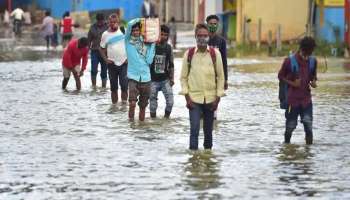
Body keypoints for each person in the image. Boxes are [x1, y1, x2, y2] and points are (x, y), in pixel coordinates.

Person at [180, 24, 225, 150]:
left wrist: (218, 98)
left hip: (211, 99)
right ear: (195, 36)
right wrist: (187, 98)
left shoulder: (215, 54)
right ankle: (193, 161)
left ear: (208, 37)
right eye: (199, 35)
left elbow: (221, 77)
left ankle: (208, 162)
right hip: (194, 99)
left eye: (205, 36)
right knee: (194, 130)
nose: (202, 38)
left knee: (208, 133)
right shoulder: (189, 54)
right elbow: (183, 78)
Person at [278, 36, 318, 145]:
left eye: (311, 52)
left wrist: (313, 82)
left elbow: (313, 77)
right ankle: (287, 147)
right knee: (290, 126)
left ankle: (308, 150)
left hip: (306, 100)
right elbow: (280, 76)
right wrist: (292, 83)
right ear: (302, 49)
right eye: (308, 52)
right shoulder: (289, 61)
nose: (309, 55)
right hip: (292, 101)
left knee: (308, 124)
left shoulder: (313, 61)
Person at [125, 18, 155, 122]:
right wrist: (141, 19)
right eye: (133, 31)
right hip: (133, 77)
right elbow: (129, 24)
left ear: (140, 31)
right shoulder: (128, 41)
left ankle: (141, 128)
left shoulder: (147, 43)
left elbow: (150, 61)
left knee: (143, 107)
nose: (135, 32)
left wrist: (152, 45)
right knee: (132, 104)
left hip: (146, 78)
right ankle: (131, 125)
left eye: (137, 30)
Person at [100, 14, 128, 104]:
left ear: (118, 22)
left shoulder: (124, 31)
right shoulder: (105, 34)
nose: (113, 24)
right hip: (112, 64)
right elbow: (101, 48)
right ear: (108, 23)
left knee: (124, 86)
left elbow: (131, 44)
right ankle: (114, 107)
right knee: (113, 88)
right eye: (111, 22)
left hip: (124, 63)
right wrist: (106, 59)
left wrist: (129, 58)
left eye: (114, 22)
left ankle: (124, 106)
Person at [149, 25, 174, 119]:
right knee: (152, 104)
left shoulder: (168, 48)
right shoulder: (151, 46)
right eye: (161, 34)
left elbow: (171, 64)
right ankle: (153, 122)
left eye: (165, 35)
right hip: (152, 80)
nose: (163, 36)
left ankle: (166, 119)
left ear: (168, 36)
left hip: (165, 80)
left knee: (170, 102)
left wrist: (172, 78)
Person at [206, 15, 228, 90]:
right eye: (211, 24)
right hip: (204, 74)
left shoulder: (222, 41)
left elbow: (224, 61)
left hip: (217, 75)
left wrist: (225, 79)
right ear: (207, 25)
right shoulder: (203, 39)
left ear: (218, 25)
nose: (213, 25)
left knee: (215, 99)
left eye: (215, 24)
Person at [88, 13, 108, 88]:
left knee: (104, 71)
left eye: (101, 21)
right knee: (93, 69)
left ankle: (104, 88)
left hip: (105, 52)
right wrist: (87, 50)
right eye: (98, 21)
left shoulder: (108, 27)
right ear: (96, 20)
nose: (100, 23)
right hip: (94, 51)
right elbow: (89, 39)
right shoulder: (92, 27)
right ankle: (93, 86)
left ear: (103, 20)